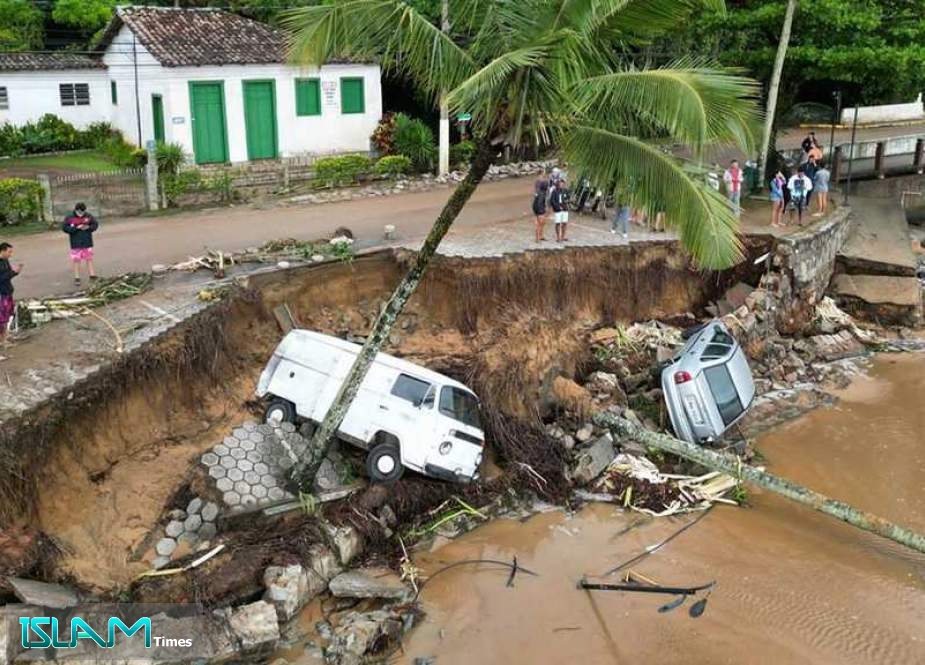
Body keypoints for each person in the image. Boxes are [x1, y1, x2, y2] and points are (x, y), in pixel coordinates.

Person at [62, 202, 99, 286]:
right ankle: (77, 278)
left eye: (83, 212)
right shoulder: (69, 217)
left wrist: (88, 227)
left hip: (87, 241)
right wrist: (75, 228)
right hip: (76, 243)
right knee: (76, 260)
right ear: (76, 210)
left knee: (89, 258)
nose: (81, 214)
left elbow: (95, 224)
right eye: (79, 212)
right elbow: (65, 228)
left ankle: (92, 275)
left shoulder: (88, 216)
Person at [0, 242, 22, 360]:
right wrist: (13, 272)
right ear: (2, 251)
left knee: (5, 319)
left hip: (7, 292)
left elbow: (7, 275)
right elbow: (2, 278)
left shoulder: (5, 261)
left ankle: (4, 341)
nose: (10, 254)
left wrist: (15, 273)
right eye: (9, 252)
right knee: (0, 321)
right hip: (1, 294)